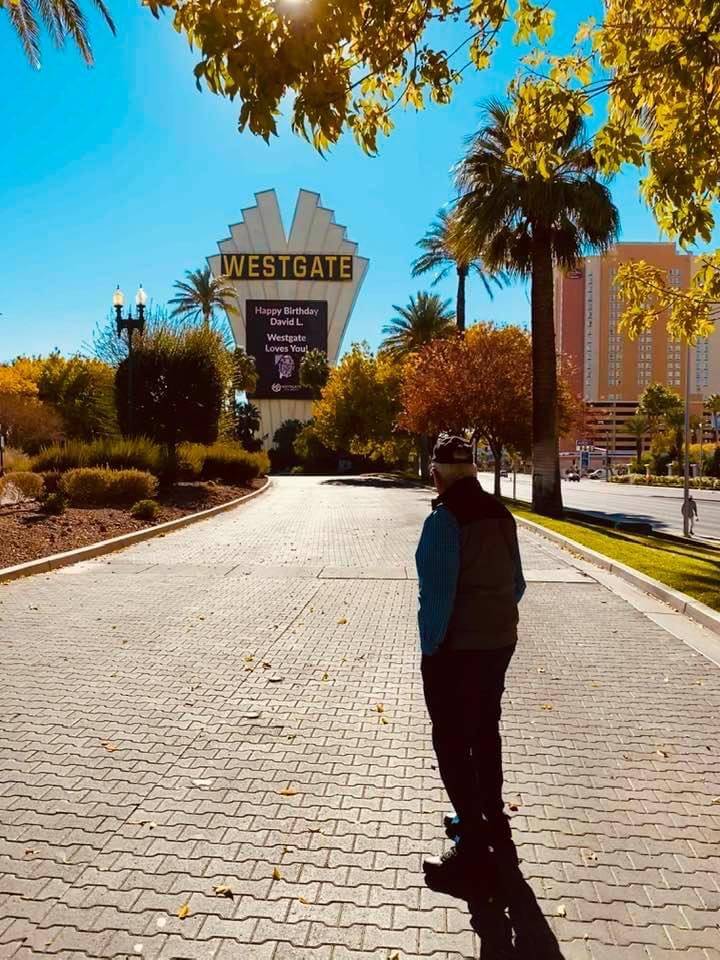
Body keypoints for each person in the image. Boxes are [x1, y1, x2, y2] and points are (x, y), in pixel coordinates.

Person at [416, 435, 526, 895]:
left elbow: (437, 599)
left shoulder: (445, 521)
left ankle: (472, 853)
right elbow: (517, 583)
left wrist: (432, 651)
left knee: (451, 739)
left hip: (456, 649)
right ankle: (488, 817)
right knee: (484, 730)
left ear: (437, 475)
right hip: (499, 641)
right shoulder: (501, 514)